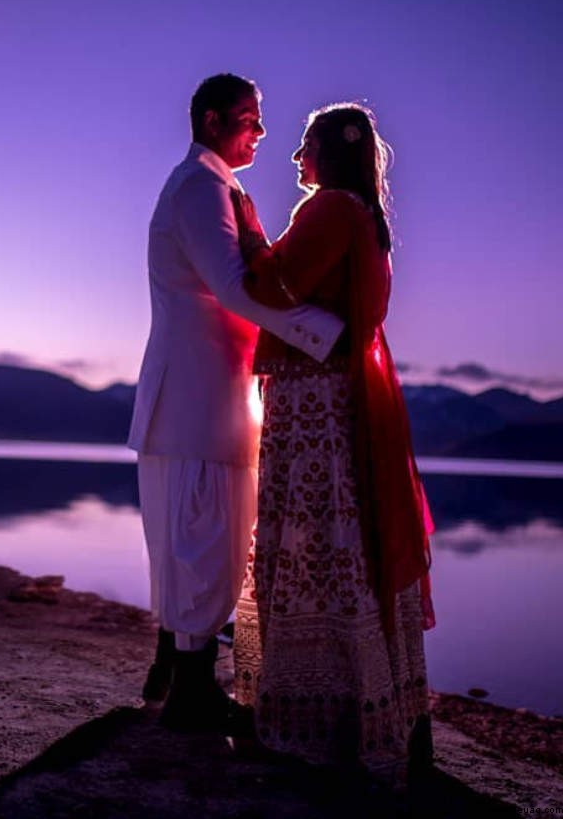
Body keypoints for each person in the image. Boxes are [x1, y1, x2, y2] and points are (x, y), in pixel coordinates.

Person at [127, 73, 344, 733]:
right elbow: (231, 285)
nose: (262, 132)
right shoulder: (200, 187)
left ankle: (179, 670)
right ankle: (191, 691)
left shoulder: (217, 187)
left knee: (202, 539)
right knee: (203, 537)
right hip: (195, 396)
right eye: (251, 118)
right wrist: (324, 335)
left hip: (209, 395)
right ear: (214, 119)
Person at [230, 102, 435, 784]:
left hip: (313, 395)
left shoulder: (330, 211)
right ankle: (377, 702)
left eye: (304, 145)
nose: (295, 159)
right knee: (345, 540)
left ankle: (309, 720)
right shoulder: (368, 219)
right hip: (344, 392)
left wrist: (251, 235)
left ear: (329, 151)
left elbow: (268, 282)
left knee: (311, 539)